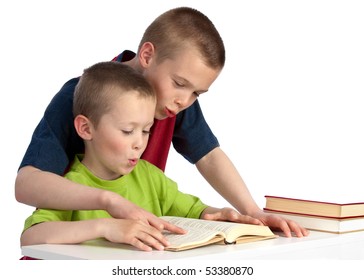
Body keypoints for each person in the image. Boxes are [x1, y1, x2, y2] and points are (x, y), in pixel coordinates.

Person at [15, 7, 308, 238]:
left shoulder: (171, 100)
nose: (186, 101)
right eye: (180, 83)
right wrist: (107, 202)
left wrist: (252, 211)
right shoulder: (82, 95)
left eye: (196, 92)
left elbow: (208, 155)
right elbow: (26, 184)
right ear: (147, 55)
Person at [21, 61, 263, 251]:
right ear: (85, 128)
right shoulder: (71, 185)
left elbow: (196, 211)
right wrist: (104, 227)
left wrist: (225, 215)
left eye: (146, 130)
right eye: (127, 131)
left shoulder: (151, 178)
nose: (139, 143)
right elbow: (30, 237)